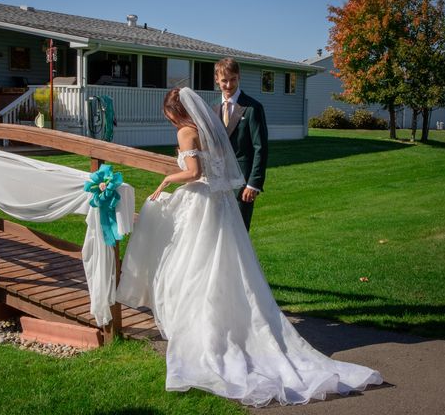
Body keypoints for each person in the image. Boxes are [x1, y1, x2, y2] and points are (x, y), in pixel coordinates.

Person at [117, 87, 382, 407]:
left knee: (190, 266)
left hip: (201, 203)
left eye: (168, 113)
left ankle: (200, 332)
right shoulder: (205, 128)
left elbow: (194, 173)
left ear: (175, 111)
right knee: (221, 266)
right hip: (220, 205)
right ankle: (223, 324)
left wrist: (165, 181)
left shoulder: (187, 131)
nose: (169, 118)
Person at [213, 58, 268, 230]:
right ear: (217, 80)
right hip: (217, 183)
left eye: (233, 79)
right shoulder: (213, 107)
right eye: (224, 80)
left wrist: (253, 184)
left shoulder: (252, 108)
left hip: (242, 185)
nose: (229, 85)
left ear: (239, 77)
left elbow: (261, 148)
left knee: (239, 233)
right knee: (219, 233)